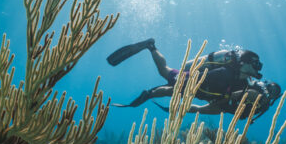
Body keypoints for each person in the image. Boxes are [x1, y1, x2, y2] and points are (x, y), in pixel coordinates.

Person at [107, 38, 264, 107]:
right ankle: (151, 47)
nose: (258, 68)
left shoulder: (241, 79)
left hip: (196, 88)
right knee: (165, 75)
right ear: (245, 63)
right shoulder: (225, 73)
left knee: (167, 78)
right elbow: (202, 81)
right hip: (189, 81)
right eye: (256, 64)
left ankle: (151, 48)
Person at [153, 79, 282, 123]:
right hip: (225, 101)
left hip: (228, 108)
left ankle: (173, 108)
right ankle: (164, 93)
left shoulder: (265, 107)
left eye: (274, 94)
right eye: (271, 90)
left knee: (200, 110)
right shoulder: (255, 92)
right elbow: (235, 95)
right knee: (198, 98)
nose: (270, 94)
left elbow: (249, 116)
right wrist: (220, 101)